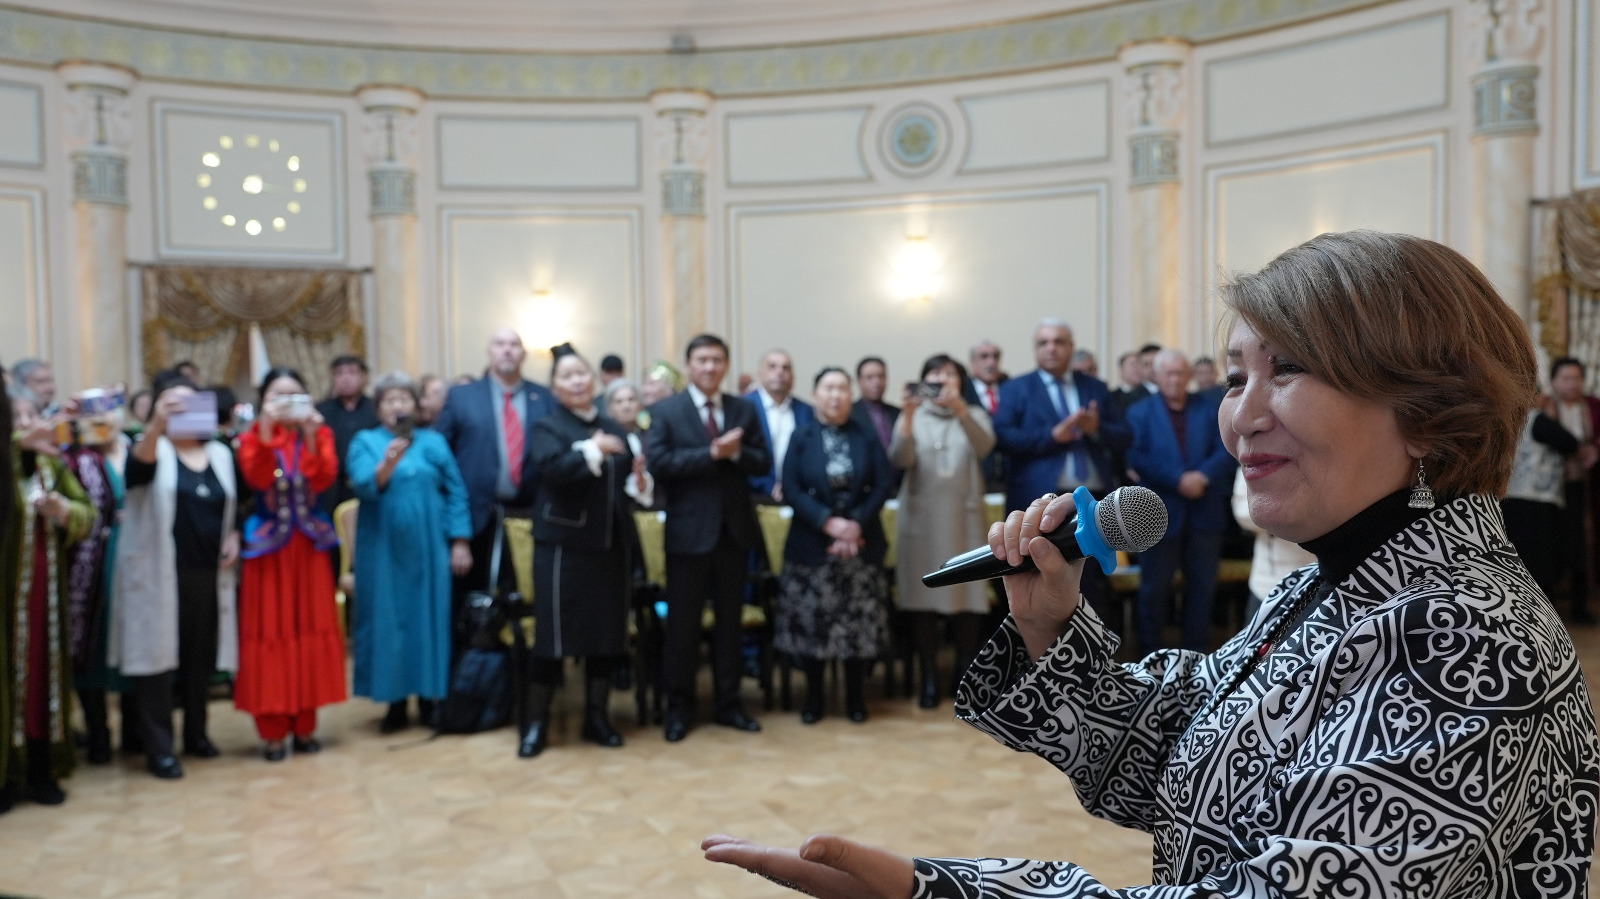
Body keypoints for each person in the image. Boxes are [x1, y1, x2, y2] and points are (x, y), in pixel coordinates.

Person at [703, 229, 1600, 899]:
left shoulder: (1471, 641)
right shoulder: (1338, 583)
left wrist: (940, 889)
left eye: (1284, 370)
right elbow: (1179, 753)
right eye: (1233, 373)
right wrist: (1052, 618)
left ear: (1430, 408)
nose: (1239, 416)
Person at [113, 371, 243, 779]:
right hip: (158, 573)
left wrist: (235, 534)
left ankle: (197, 734)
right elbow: (137, 473)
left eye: (192, 404)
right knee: (156, 662)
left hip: (208, 573)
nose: (184, 412)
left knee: (199, 658)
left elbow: (234, 504)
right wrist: (156, 427)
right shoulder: (150, 449)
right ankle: (160, 748)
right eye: (173, 404)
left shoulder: (220, 453)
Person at [645, 334, 770, 742]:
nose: (710, 367)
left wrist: (735, 454)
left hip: (733, 535)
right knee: (682, 627)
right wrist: (711, 454)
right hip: (688, 535)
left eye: (717, 360)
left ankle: (729, 704)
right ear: (690, 365)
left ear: (727, 365)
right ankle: (679, 708)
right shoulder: (667, 410)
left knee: (730, 626)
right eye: (702, 360)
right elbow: (660, 463)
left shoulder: (742, 408)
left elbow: (762, 461)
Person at [519, 347, 644, 757]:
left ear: (593, 381)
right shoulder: (547, 426)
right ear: (555, 388)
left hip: (610, 545)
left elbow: (628, 481)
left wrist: (641, 482)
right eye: (567, 376)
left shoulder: (614, 426)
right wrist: (592, 450)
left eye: (582, 374)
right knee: (553, 638)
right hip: (562, 547)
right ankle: (535, 724)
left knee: (606, 637)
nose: (577, 381)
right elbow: (553, 469)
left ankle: (597, 716)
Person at [346, 372, 472, 734]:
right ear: (378, 408)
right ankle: (395, 702)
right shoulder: (365, 442)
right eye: (389, 400)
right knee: (389, 622)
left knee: (429, 619)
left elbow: (457, 492)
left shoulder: (434, 442)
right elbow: (365, 486)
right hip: (383, 549)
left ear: (417, 407)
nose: (397, 405)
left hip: (430, 548)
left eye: (404, 399)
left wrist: (460, 540)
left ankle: (429, 698)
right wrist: (388, 463)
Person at [235, 366, 346, 761]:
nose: (285, 405)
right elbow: (258, 477)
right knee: (271, 633)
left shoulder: (320, 433)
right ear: (264, 401)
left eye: (293, 396)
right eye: (276, 397)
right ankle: (272, 731)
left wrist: (314, 432)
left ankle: (304, 726)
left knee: (309, 630)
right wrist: (265, 430)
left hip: (308, 549)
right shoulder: (252, 437)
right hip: (267, 553)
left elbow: (323, 478)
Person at [991, 318, 1130, 629]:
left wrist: (1096, 430)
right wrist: (1052, 436)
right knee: (1042, 581)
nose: (1051, 348)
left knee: (1092, 585)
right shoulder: (1016, 388)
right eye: (1044, 342)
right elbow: (1004, 437)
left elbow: (1124, 436)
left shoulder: (1093, 386)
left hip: (1091, 501)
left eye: (1059, 341)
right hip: (1041, 502)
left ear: (1071, 346)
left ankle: (1095, 659)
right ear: (1036, 349)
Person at [777, 366, 893, 724]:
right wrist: (829, 523)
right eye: (828, 388)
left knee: (856, 628)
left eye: (843, 388)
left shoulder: (866, 435)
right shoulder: (801, 436)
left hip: (861, 542)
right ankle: (814, 697)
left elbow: (883, 483)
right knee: (815, 625)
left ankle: (856, 697)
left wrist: (854, 524)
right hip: (812, 543)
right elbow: (791, 487)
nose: (836, 395)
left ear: (850, 395)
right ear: (815, 395)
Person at [2, 392, 93, 811]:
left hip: (43, 594)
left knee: (42, 678)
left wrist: (62, 511)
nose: (26, 424)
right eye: (15, 417)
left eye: (30, 416)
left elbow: (87, 513)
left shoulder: (51, 466)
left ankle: (42, 768)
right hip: (6, 597)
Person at [432, 328, 555, 636]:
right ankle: (470, 674)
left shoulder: (545, 398)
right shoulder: (462, 397)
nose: (507, 350)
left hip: (529, 515)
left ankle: (525, 676)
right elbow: (439, 454)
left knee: (527, 599)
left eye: (515, 345)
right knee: (469, 601)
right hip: (475, 517)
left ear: (524, 355)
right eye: (500, 344)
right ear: (489, 352)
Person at [889, 354, 995, 708]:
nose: (941, 381)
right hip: (921, 523)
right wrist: (905, 415)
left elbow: (985, 447)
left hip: (964, 522)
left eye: (949, 375)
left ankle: (963, 677)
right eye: (933, 375)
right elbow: (899, 459)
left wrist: (961, 409)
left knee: (967, 600)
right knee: (922, 600)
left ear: (961, 383)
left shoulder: (974, 414)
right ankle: (929, 677)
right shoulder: (912, 417)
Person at [1126, 349, 1238, 653]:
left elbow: (1227, 449)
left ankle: (1197, 658)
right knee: (1154, 591)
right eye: (1168, 374)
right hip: (1158, 514)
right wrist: (1178, 479)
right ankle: (1150, 657)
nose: (1175, 379)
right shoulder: (1140, 412)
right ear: (1158, 376)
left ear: (1189, 376)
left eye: (1180, 373)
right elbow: (1137, 456)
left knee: (1202, 590)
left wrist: (1201, 477)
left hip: (1205, 513)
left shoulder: (1211, 407)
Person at [1501, 402, 1582, 603]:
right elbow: (1570, 442)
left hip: (1510, 496)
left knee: (1520, 559)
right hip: (1537, 500)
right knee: (1540, 561)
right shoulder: (1537, 418)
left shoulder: (1506, 419)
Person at [1547, 356, 1600, 624]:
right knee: (1551, 541)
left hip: (1581, 482)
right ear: (1554, 381)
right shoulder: (1545, 407)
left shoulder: (1591, 407)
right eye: (1566, 378)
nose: (1572, 384)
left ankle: (1580, 605)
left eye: (1577, 378)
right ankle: (1551, 605)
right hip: (1547, 485)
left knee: (1579, 541)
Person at [1230, 467, 1313, 621]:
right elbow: (1242, 511)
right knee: (1256, 644)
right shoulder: (1254, 453)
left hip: (1319, 582)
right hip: (1266, 585)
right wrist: (1288, 512)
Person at [315, 355, 379, 520]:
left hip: (369, 484)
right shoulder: (321, 411)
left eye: (352, 372)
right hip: (332, 489)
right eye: (339, 374)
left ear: (364, 377)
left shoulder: (376, 409)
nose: (345, 378)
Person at [746, 349, 815, 503]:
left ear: (793, 377)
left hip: (799, 496)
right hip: (752, 496)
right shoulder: (744, 407)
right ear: (760, 374)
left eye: (786, 368)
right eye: (772, 367)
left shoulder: (806, 410)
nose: (779, 372)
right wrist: (769, 486)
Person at [603, 379, 656, 508]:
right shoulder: (604, 439)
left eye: (631, 400)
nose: (626, 406)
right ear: (610, 408)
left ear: (640, 404)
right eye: (619, 402)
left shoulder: (653, 433)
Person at [849, 357, 899, 455]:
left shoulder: (898, 413)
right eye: (869, 377)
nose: (877, 382)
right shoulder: (849, 413)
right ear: (859, 381)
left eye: (881, 376)